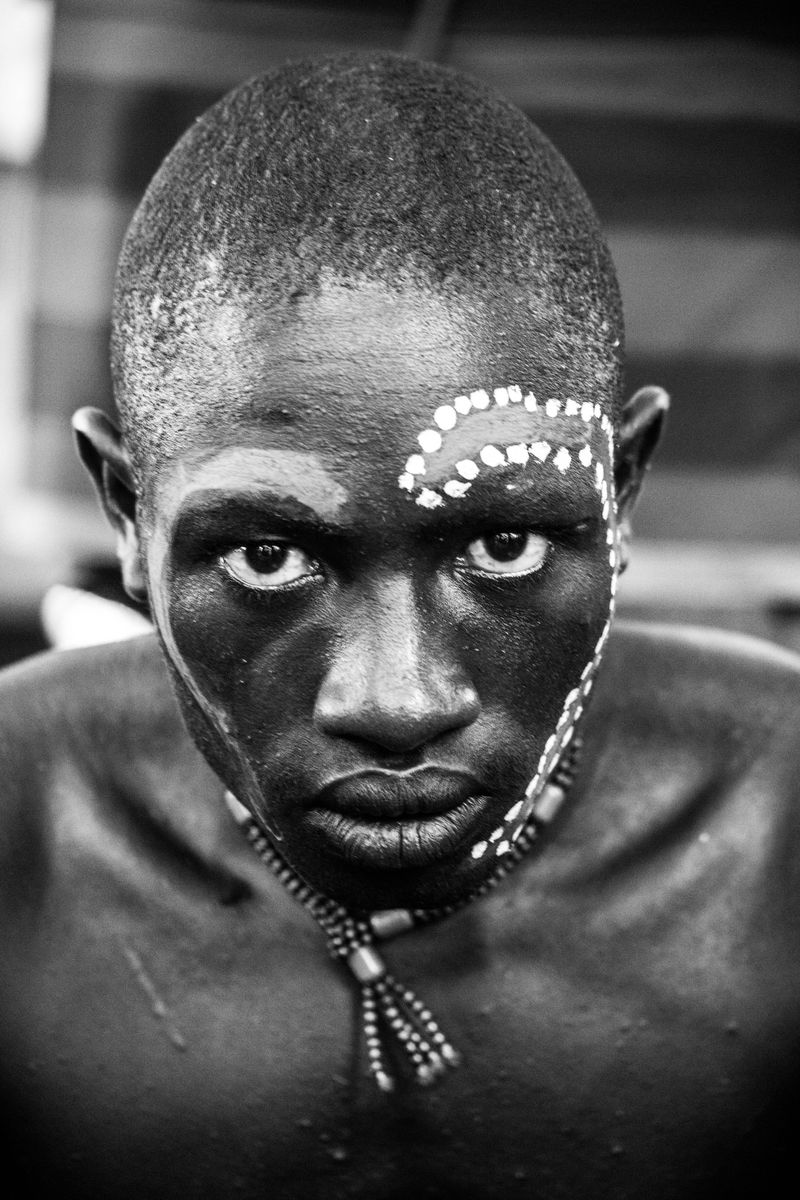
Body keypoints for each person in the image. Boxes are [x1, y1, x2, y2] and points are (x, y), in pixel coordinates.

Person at [1, 54, 798, 1200]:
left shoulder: (779, 836)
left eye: (502, 546)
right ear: (129, 513)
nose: (396, 700)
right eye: (267, 558)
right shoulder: (20, 832)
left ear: (617, 491)